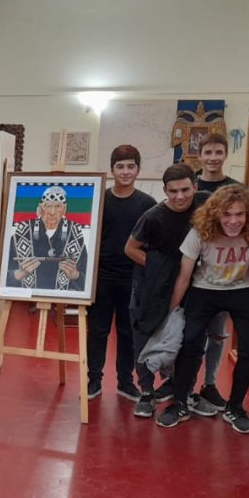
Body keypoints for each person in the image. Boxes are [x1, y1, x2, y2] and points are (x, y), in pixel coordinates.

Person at [156, 186, 249, 433]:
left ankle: (235, 406)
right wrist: (171, 313)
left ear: (248, 215)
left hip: (243, 289)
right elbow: (184, 277)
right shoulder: (200, 231)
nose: (233, 221)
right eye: (227, 214)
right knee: (189, 342)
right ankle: (180, 402)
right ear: (216, 215)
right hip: (204, 289)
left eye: (240, 214)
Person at [124, 164, 210, 418]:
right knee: (145, 335)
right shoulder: (153, 216)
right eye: (173, 191)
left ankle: (183, 390)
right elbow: (130, 249)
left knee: (191, 339)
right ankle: (147, 392)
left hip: (193, 285)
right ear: (165, 191)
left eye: (185, 189)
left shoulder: (205, 203)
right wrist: (159, 268)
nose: (180, 196)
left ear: (195, 187)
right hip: (151, 287)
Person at [86, 145, 154, 400]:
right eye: (120, 166)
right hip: (101, 277)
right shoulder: (99, 200)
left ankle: (126, 382)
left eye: (131, 166)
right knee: (98, 330)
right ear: (112, 169)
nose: (125, 172)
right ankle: (93, 380)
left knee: (128, 333)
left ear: (138, 169)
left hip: (133, 279)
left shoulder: (148, 205)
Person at [192, 132, 242, 411]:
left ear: (225, 155)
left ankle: (209, 384)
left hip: (223, 271)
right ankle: (184, 383)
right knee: (192, 331)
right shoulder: (190, 186)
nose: (213, 158)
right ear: (200, 156)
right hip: (194, 270)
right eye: (208, 153)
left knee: (218, 332)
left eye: (218, 152)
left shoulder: (235, 188)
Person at [6, 185, 88, 292]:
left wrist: (75, 275)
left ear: (64, 209)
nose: (52, 212)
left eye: (58, 206)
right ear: (40, 208)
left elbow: (88, 280)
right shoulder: (22, 231)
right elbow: (3, 276)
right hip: (27, 302)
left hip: (62, 303)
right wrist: (19, 273)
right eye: (48, 206)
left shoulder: (75, 233)